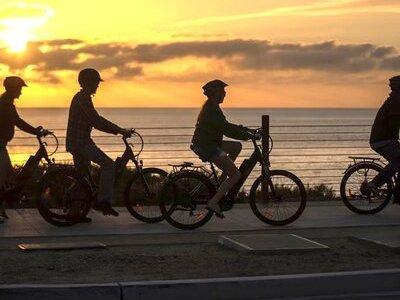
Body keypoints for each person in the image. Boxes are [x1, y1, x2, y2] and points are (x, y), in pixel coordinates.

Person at [66, 68, 131, 217]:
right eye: (96, 82)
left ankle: (74, 213)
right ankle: (103, 202)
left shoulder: (83, 97)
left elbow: (96, 120)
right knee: (109, 165)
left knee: (83, 177)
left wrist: (118, 129)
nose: (98, 85)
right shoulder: (82, 99)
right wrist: (120, 130)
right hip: (80, 143)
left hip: (79, 142)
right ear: (88, 82)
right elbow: (96, 121)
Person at [191, 79, 257, 217]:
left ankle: (223, 178)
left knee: (236, 146)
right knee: (236, 175)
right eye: (223, 91)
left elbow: (226, 125)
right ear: (216, 93)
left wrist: (247, 130)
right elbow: (226, 129)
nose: (225, 94)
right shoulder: (213, 110)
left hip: (209, 143)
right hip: (208, 147)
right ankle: (213, 202)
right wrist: (248, 135)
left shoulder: (212, 106)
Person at [0, 76, 51, 223]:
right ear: (13, 89)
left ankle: (2, 210)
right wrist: (37, 132)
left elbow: (18, 122)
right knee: (3, 178)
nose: (21, 92)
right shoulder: (4, 104)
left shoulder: (7, 103)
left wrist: (37, 131)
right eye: (20, 88)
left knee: (8, 179)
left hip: (2, 145)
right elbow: (19, 123)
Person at [362, 75, 400, 196]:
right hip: (382, 140)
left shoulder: (394, 99)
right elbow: (394, 123)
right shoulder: (396, 101)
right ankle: (374, 184)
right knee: (398, 162)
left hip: (385, 138)